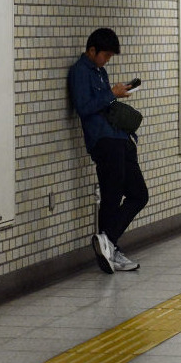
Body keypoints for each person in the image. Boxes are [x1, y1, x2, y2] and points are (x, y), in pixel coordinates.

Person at [67, 28, 149, 273]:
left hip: (119, 137)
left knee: (139, 194)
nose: (107, 60)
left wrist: (116, 94)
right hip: (102, 141)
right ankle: (110, 247)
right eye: (106, 55)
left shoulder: (101, 71)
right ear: (92, 50)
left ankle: (108, 241)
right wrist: (109, 94)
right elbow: (83, 107)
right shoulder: (80, 72)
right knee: (111, 196)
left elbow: (104, 102)